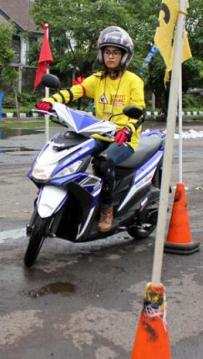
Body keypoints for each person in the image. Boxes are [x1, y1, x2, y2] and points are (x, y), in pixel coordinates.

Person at [35, 26, 145, 232]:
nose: (111, 56)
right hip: (100, 134)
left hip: (123, 139)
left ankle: (106, 208)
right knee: (71, 155)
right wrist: (50, 101)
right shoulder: (97, 79)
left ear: (124, 56)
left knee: (103, 163)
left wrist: (128, 129)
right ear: (101, 54)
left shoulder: (133, 81)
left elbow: (140, 112)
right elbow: (73, 92)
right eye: (107, 51)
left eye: (116, 52)